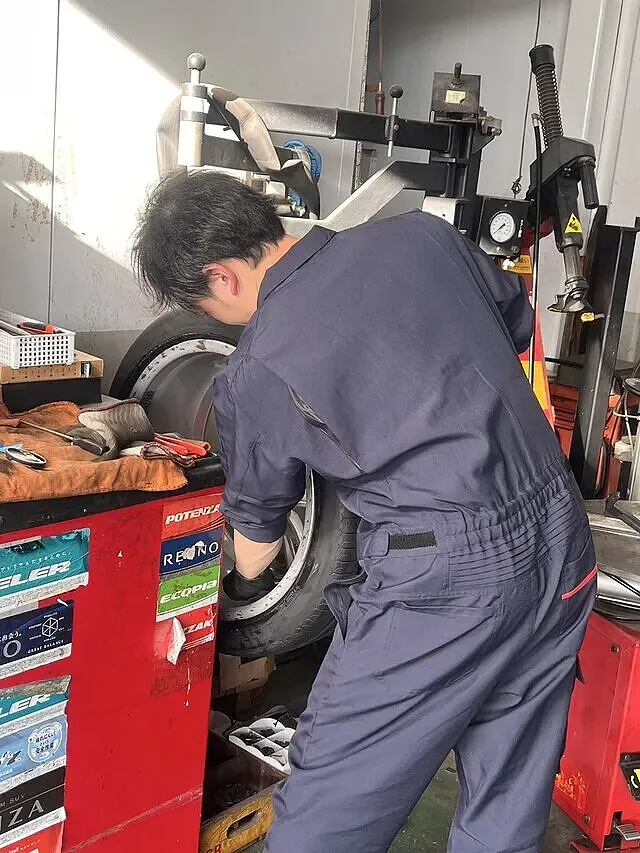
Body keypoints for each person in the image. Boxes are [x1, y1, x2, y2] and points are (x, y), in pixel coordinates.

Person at [133, 169, 596, 853]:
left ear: (220, 277)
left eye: (203, 306)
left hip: (447, 581)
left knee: (325, 818)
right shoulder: (424, 237)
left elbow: (256, 545)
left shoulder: (259, 366)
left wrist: (228, 576)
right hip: (560, 532)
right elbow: (513, 322)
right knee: (507, 796)